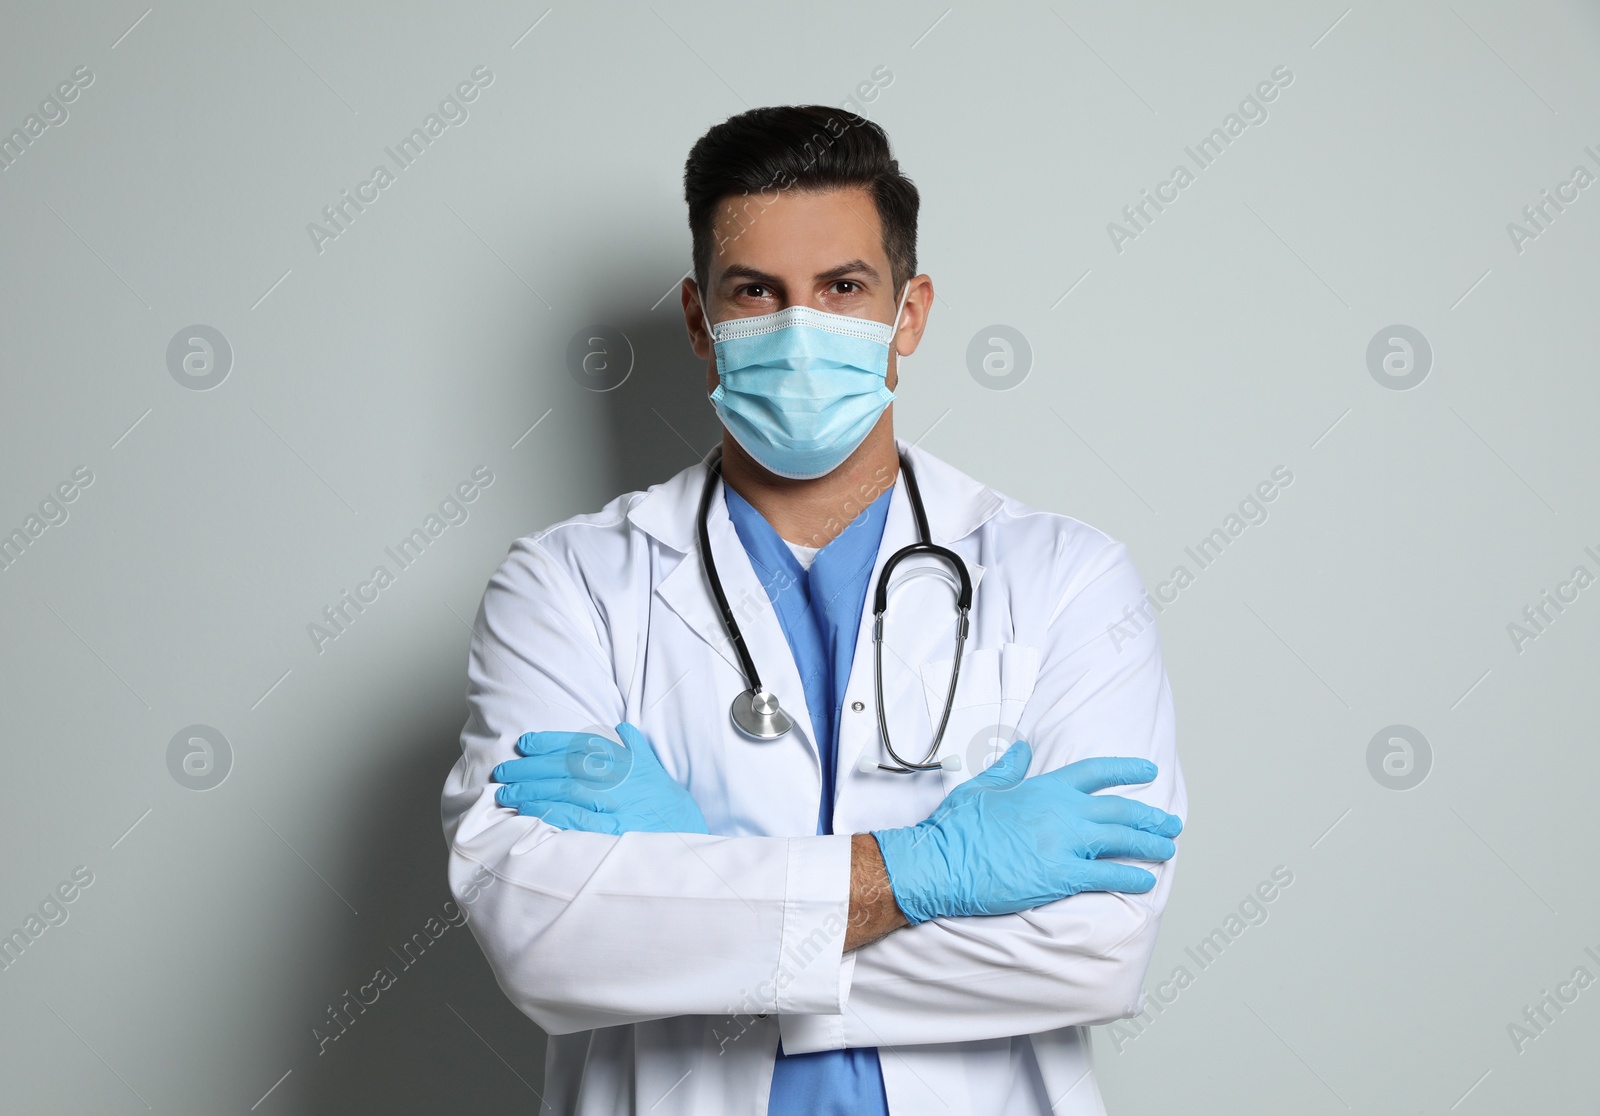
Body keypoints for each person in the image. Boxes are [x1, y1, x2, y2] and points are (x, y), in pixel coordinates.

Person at [441, 105, 1187, 1116]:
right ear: (702, 322)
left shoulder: (1064, 577)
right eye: (756, 293)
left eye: (843, 288)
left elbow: (1095, 949)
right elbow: (542, 936)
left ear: (907, 313)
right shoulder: (565, 585)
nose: (800, 331)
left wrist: (688, 896)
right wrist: (924, 872)